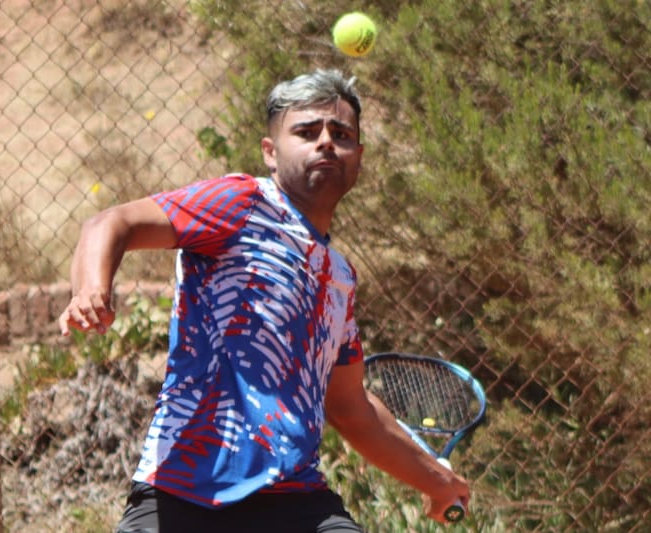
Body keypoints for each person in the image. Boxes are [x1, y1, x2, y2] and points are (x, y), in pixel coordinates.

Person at [58, 69, 470, 533]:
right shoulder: (242, 202)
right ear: (270, 153)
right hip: (183, 492)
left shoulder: (339, 276)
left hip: (295, 499)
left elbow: (351, 407)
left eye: (342, 134)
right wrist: (92, 289)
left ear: (359, 157)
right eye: (307, 132)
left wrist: (436, 480)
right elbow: (109, 223)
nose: (326, 143)